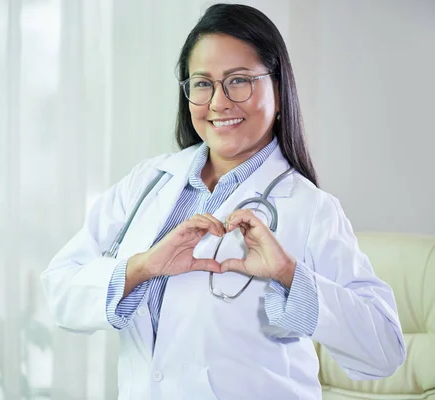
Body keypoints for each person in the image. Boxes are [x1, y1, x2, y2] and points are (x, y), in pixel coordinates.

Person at [40, 4, 406, 399]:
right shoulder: (148, 183)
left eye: (239, 81)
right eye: (202, 83)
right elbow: (60, 291)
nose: (219, 102)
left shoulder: (311, 209)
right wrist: (143, 267)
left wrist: (289, 275)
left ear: (279, 92)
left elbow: (384, 349)